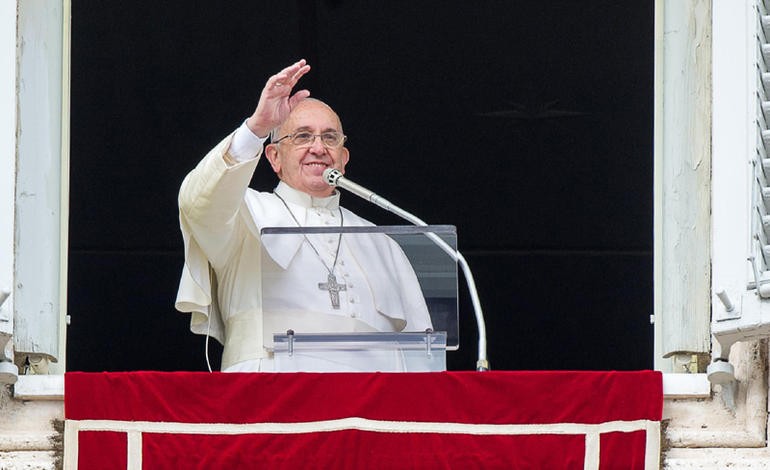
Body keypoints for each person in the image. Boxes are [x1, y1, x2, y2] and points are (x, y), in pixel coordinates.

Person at [175, 59, 433, 372]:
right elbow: (197, 203)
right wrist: (256, 128)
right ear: (273, 157)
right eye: (302, 136)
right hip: (271, 403)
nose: (318, 147)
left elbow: (424, 353)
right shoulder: (245, 212)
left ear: (344, 157)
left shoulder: (381, 242)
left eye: (330, 137)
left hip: (368, 409)